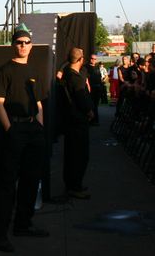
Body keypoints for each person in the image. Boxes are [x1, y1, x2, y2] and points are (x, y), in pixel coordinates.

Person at [0, 28, 48, 252]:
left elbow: (39, 103)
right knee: (7, 184)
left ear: (31, 45)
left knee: (31, 180)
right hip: (15, 130)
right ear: (13, 45)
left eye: (27, 41)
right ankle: (0, 234)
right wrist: (10, 129)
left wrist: (40, 126)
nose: (23, 45)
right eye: (19, 42)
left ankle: (23, 224)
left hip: (34, 130)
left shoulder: (34, 70)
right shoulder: (4, 70)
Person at [62, 47, 94, 199]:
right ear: (81, 60)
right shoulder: (75, 78)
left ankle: (73, 184)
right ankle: (75, 186)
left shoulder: (67, 74)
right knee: (79, 155)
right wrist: (89, 111)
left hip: (70, 119)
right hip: (77, 121)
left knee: (72, 154)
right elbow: (81, 98)